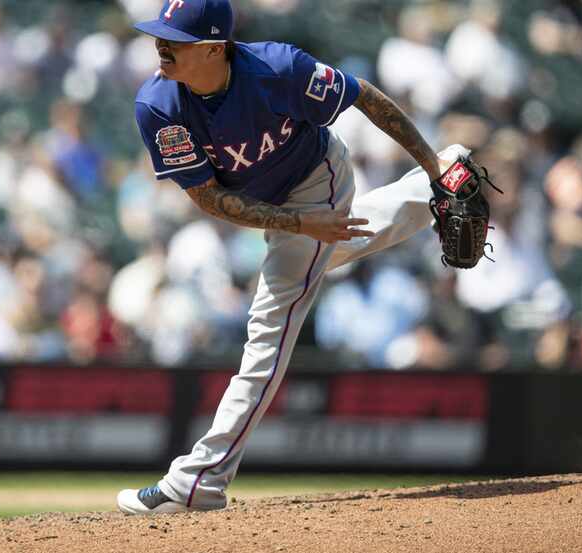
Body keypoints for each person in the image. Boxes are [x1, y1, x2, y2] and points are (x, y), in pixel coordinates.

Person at [117, 0, 467, 515]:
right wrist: (301, 226)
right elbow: (208, 198)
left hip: (315, 178)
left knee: (270, 323)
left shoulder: (278, 67)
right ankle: (432, 187)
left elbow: (363, 97)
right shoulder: (158, 105)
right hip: (287, 210)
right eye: (158, 36)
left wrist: (429, 159)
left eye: (175, 40)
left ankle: (198, 482)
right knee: (326, 248)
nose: (160, 47)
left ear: (214, 48)